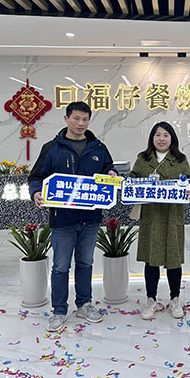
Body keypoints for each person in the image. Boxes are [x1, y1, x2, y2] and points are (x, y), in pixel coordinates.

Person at [29, 101, 117, 332]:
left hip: (91, 219)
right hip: (62, 220)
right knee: (60, 266)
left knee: (86, 263)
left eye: (85, 119)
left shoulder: (98, 148)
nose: (81, 123)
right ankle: (59, 310)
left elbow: (109, 170)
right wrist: (36, 192)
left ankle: (84, 305)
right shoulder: (52, 148)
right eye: (76, 118)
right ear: (66, 119)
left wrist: (111, 173)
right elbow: (36, 177)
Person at [129, 121, 190, 320]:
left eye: (166, 135)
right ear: (152, 138)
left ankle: (175, 299)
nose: (161, 139)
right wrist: (131, 184)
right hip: (151, 217)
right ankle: (151, 299)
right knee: (150, 260)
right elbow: (132, 179)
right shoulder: (143, 158)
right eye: (158, 135)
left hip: (172, 216)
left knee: (173, 259)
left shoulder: (180, 159)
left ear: (172, 138)